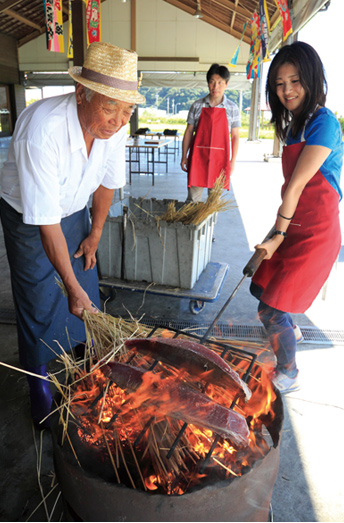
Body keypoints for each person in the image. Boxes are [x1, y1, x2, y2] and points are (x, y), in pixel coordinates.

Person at [0, 42, 145, 427]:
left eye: (127, 110)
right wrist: (68, 282)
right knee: (39, 294)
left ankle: (83, 359)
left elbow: (107, 183)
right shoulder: (41, 129)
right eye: (109, 106)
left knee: (84, 284)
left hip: (75, 208)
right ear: (82, 93)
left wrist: (95, 231)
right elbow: (46, 223)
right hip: (28, 216)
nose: (117, 120)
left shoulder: (114, 128)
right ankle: (39, 381)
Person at [250, 42, 343, 393]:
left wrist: (277, 235)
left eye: (295, 81)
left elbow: (296, 187)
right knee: (262, 287)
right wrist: (279, 230)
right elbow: (291, 191)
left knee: (270, 311)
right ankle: (290, 332)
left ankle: (289, 373)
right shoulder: (295, 126)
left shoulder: (324, 123)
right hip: (295, 225)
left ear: (312, 79)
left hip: (316, 231)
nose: (287, 90)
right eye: (279, 83)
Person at [180, 63, 240, 203]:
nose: (215, 87)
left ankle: (209, 225)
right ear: (208, 83)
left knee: (214, 202)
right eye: (212, 82)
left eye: (220, 83)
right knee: (192, 200)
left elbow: (235, 136)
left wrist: (232, 161)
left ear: (226, 84)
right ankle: (192, 225)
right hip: (197, 159)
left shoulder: (232, 108)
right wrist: (184, 156)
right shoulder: (197, 105)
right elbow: (189, 132)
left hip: (220, 161)